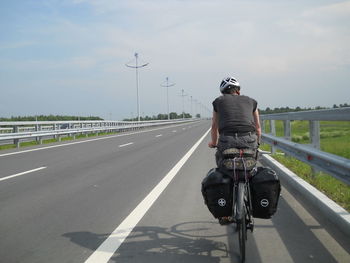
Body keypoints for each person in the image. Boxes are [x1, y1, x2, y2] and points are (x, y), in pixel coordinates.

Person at [208, 76, 261, 225]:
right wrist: (258, 142)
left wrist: (214, 143)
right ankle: (249, 192)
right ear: (238, 91)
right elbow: (257, 127)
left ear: (223, 93)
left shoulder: (218, 102)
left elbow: (214, 126)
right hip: (249, 139)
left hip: (227, 140)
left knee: (223, 165)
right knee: (251, 165)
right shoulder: (251, 101)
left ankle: (226, 213)